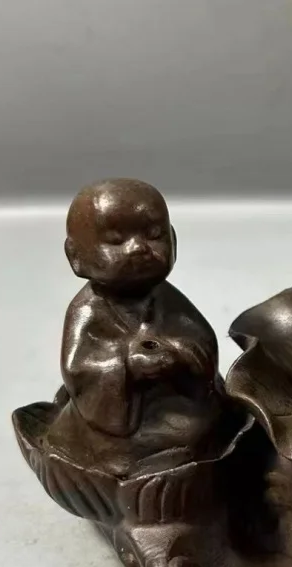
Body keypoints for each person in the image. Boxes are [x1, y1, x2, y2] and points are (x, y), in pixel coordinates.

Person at [46, 178, 225, 476]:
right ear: (75, 256)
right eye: (116, 241)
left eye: (154, 235)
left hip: (175, 408)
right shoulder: (88, 309)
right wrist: (129, 366)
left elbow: (201, 344)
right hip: (116, 424)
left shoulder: (169, 300)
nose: (139, 248)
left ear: (174, 241)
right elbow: (79, 368)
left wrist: (179, 355)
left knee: (212, 422)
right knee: (120, 448)